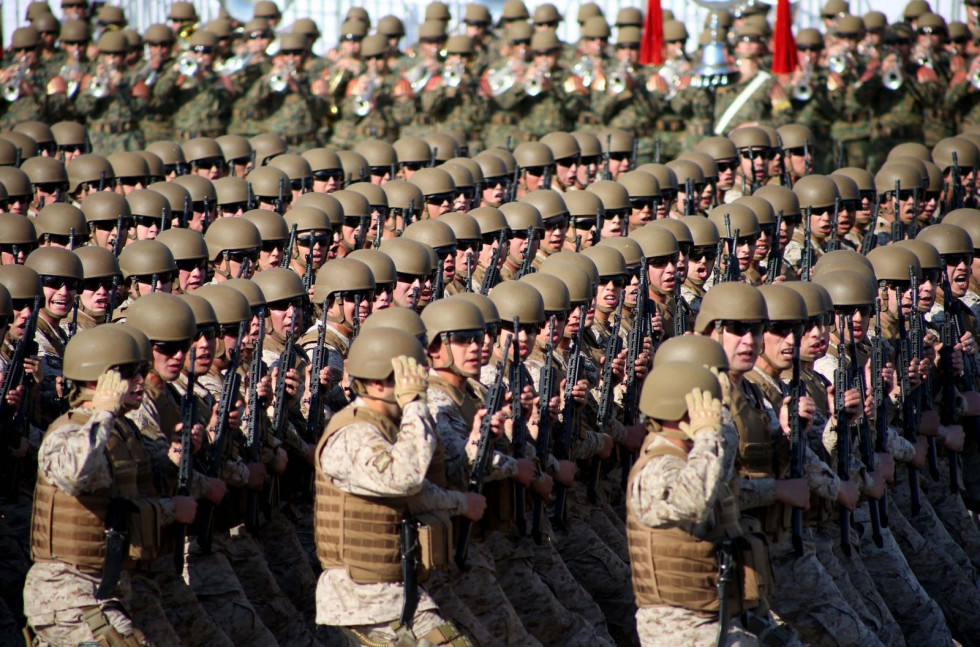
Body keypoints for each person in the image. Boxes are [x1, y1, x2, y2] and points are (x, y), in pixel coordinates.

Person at [314, 327, 485, 645]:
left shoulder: (381, 427)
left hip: (393, 588)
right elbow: (406, 479)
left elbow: (419, 493)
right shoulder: (354, 434)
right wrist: (415, 405)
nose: (418, 382)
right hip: (365, 600)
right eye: (407, 377)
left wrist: (461, 502)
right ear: (378, 382)